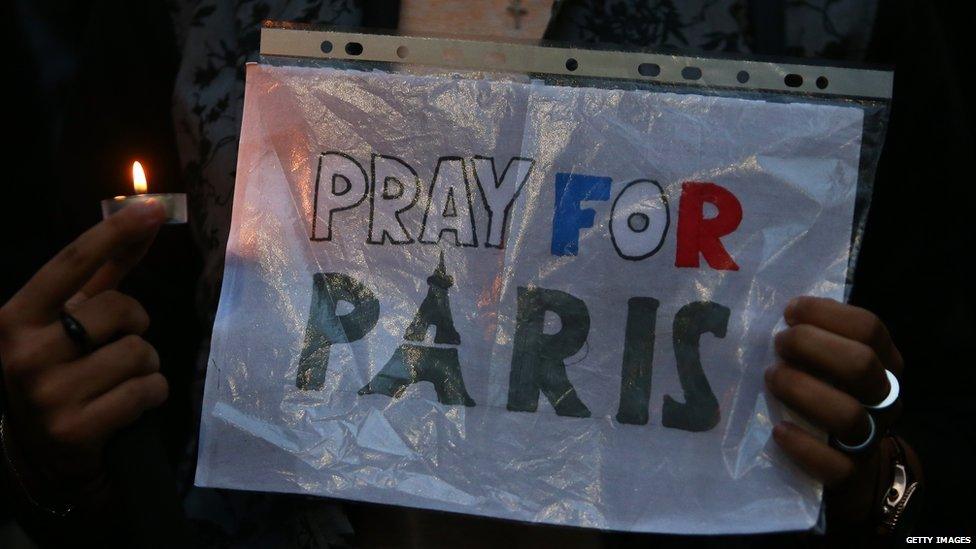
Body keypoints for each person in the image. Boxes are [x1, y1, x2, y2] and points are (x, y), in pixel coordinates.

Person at [3, 0, 970, 546]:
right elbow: (123, 405)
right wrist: (55, 459)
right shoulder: (199, 18)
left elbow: (940, 444)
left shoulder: (826, 22)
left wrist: (877, 490)